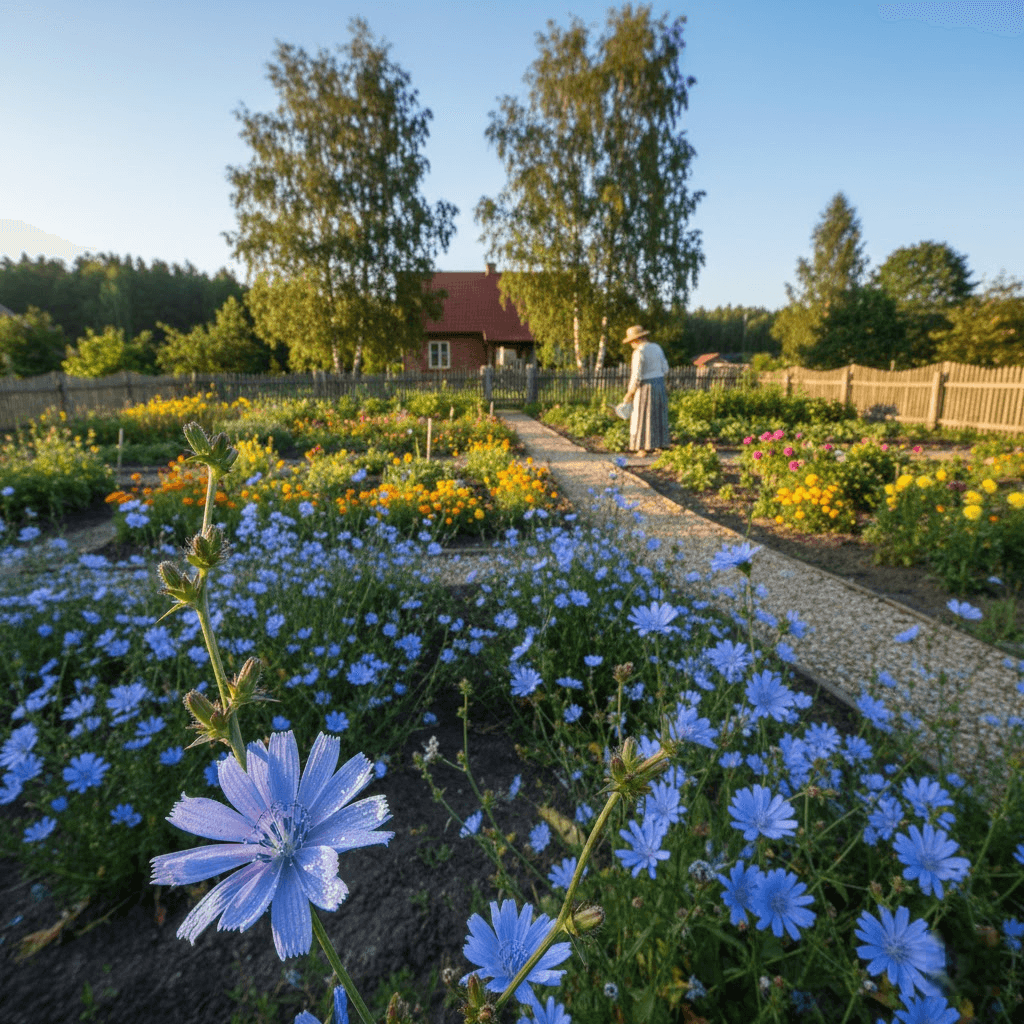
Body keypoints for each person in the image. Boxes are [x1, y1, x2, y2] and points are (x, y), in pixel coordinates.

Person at [621, 324, 670, 457]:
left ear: (636, 340)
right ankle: (659, 445)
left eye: (631, 341)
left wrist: (630, 393)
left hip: (645, 386)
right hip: (659, 384)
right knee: (658, 414)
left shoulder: (639, 352)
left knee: (643, 415)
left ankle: (642, 447)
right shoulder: (657, 348)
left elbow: (636, 375)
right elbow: (665, 368)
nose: (631, 344)